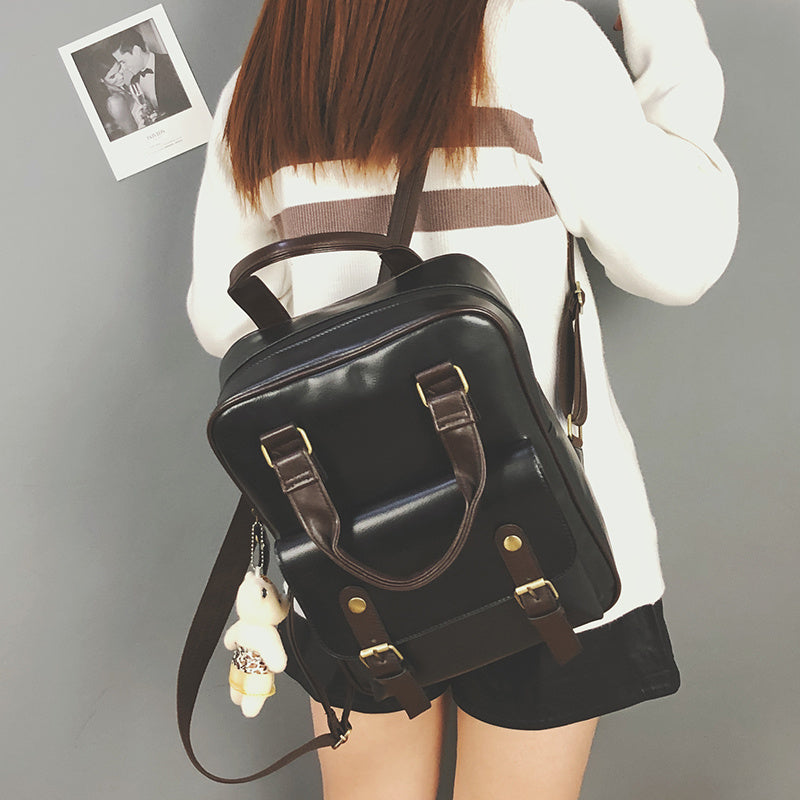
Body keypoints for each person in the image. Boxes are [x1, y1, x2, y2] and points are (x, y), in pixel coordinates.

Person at [187, 1, 739, 798]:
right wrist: (663, 26)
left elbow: (223, 322)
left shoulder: (267, 77)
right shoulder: (532, 35)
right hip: (543, 536)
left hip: (352, 544)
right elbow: (679, 257)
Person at [110, 28, 191, 121]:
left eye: (123, 62)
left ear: (136, 51)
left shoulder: (173, 63)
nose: (124, 68)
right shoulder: (134, 82)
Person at [92, 50, 141, 140]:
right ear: (101, 80)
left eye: (119, 69)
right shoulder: (115, 101)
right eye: (112, 76)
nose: (120, 76)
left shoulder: (122, 87)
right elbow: (134, 135)